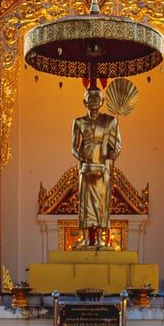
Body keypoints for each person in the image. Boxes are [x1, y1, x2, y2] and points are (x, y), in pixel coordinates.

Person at [71, 85, 122, 248]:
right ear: (84, 101)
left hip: (102, 168)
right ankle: (85, 238)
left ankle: (100, 238)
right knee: (84, 204)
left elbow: (117, 146)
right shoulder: (78, 122)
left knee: (101, 203)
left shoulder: (110, 121)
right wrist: (80, 156)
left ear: (102, 101)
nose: (93, 101)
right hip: (85, 168)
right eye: (90, 97)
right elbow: (73, 146)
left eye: (97, 98)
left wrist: (112, 154)